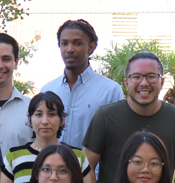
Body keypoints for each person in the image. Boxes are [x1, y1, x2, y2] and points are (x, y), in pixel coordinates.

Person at [82, 51, 175, 183]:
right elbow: (86, 166)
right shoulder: (106, 116)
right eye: (136, 77)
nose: (144, 83)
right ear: (126, 83)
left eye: (151, 77)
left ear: (162, 82)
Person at [0, 91, 95, 183]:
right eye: (38, 114)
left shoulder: (77, 156)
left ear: (62, 119)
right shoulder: (14, 156)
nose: (45, 121)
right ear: (29, 119)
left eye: (52, 114)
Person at [40, 19, 123, 149]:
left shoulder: (110, 91)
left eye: (77, 43)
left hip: (92, 169)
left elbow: (116, 141)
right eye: (64, 43)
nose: (70, 49)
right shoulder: (48, 90)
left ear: (91, 47)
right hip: (53, 168)